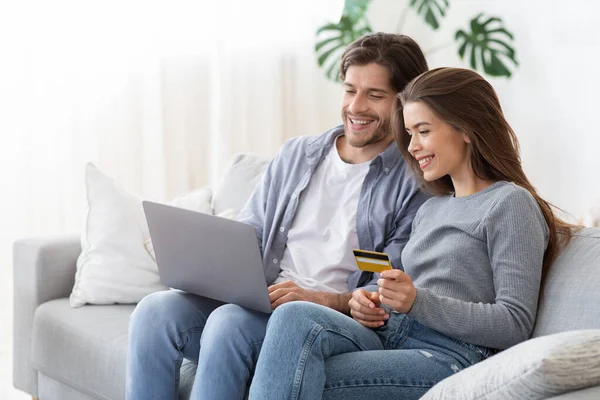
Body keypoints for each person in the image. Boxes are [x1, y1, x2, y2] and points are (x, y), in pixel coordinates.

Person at [125, 32, 430, 400]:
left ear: (405, 103)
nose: (356, 106)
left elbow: (388, 285)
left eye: (375, 95)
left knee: (229, 323)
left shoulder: (414, 181)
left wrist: (318, 299)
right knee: (154, 312)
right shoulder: (297, 154)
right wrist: (207, 266)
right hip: (266, 298)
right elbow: (249, 236)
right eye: (350, 90)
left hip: (328, 319)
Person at [247, 67, 575, 400]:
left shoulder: (509, 204)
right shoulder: (431, 208)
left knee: (293, 371)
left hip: (450, 357)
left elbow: (514, 323)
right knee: (292, 315)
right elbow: (408, 295)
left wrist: (417, 301)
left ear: (466, 129)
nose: (413, 147)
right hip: (391, 336)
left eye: (423, 131)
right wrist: (372, 303)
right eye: (409, 133)